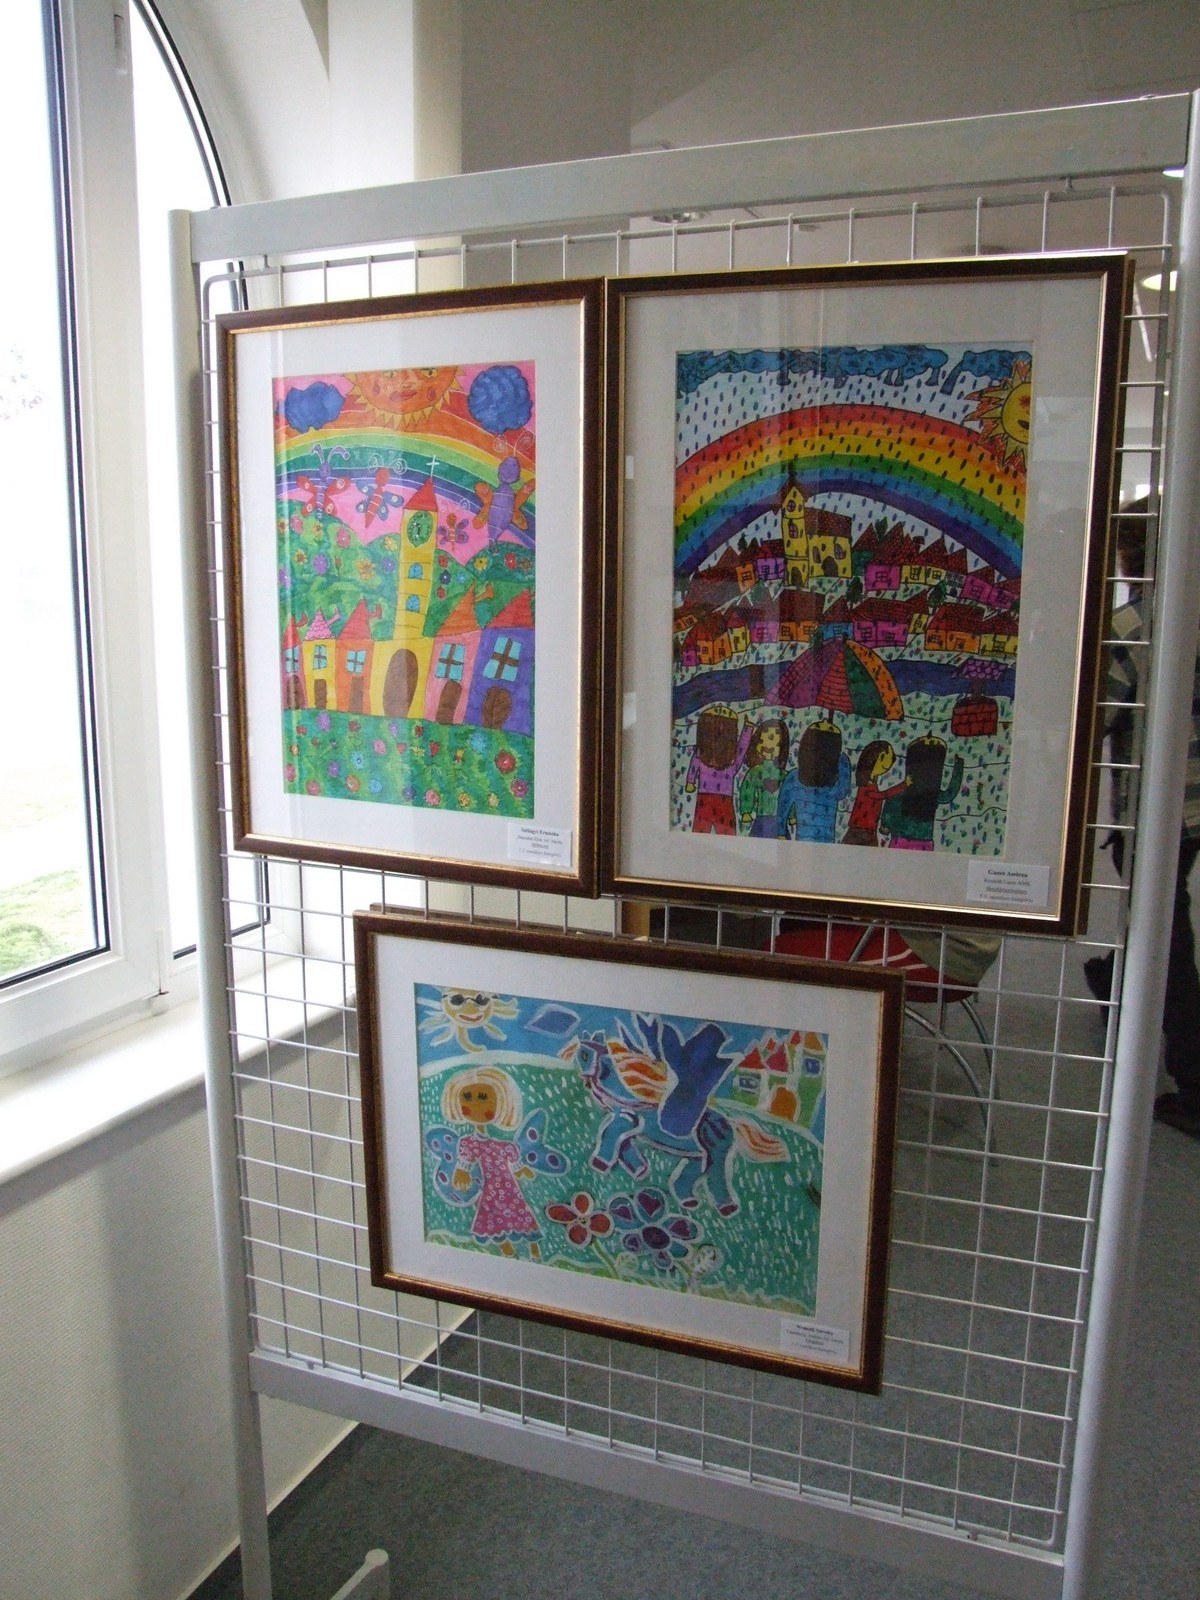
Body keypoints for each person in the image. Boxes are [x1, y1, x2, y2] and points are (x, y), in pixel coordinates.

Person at [1088, 498, 1200, 1138]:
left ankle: (1194, 1076)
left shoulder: (1134, 623)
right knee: (1163, 920)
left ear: (1129, 556)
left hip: (1158, 811)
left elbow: (1097, 715)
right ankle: (1114, 979)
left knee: (1167, 937)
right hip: (1191, 802)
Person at [444, 1065, 544, 1256]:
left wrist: (522, 1170)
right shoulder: (470, 1143)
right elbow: (465, 1161)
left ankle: (535, 1251)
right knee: (492, 1217)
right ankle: (508, 1252)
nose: (475, 1105)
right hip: (490, 1189)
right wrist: (461, 1171)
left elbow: (514, 1160)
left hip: (510, 1187)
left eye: (483, 1098)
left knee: (520, 1213)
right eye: (467, 1097)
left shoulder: (503, 1145)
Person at [843, 738, 908, 845]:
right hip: (858, 831)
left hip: (870, 831)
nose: (888, 763)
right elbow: (881, 795)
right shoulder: (866, 787)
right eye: (883, 757)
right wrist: (903, 785)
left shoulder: (873, 784)